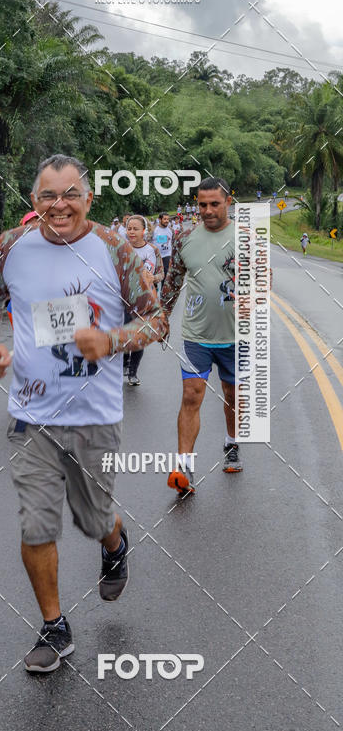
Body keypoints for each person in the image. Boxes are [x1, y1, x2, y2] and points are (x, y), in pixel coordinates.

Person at [0, 153, 167, 673]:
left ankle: (115, 541)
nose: (59, 206)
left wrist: (112, 339)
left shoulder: (114, 248)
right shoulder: (9, 246)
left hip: (94, 413)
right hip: (32, 410)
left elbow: (156, 321)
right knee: (36, 522)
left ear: (88, 197)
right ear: (34, 200)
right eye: (47, 196)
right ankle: (54, 627)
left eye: (70, 195)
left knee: (92, 515)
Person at [161, 176, 241, 496]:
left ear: (228, 203)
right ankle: (184, 467)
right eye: (202, 204)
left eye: (214, 204)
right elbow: (172, 282)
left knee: (232, 397)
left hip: (236, 337)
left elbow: (265, 279)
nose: (207, 210)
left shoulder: (245, 237)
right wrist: (162, 317)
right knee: (191, 396)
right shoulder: (184, 238)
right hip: (196, 335)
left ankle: (232, 443)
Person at [123, 215, 162, 385]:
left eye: (135, 228)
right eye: (129, 228)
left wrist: (154, 278)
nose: (131, 232)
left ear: (144, 231)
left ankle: (133, 372)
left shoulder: (153, 250)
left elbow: (161, 273)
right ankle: (124, 362)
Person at [152, 211, 173, 280]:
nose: (167, 221)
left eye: (168, 219)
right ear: (159, 219)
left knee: (166, 275)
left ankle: (163, 290)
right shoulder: (154, 230)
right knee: (155, 276)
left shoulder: (170, 229)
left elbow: (173, 240)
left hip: (167, 255)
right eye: (165, 219)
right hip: (156, 256)